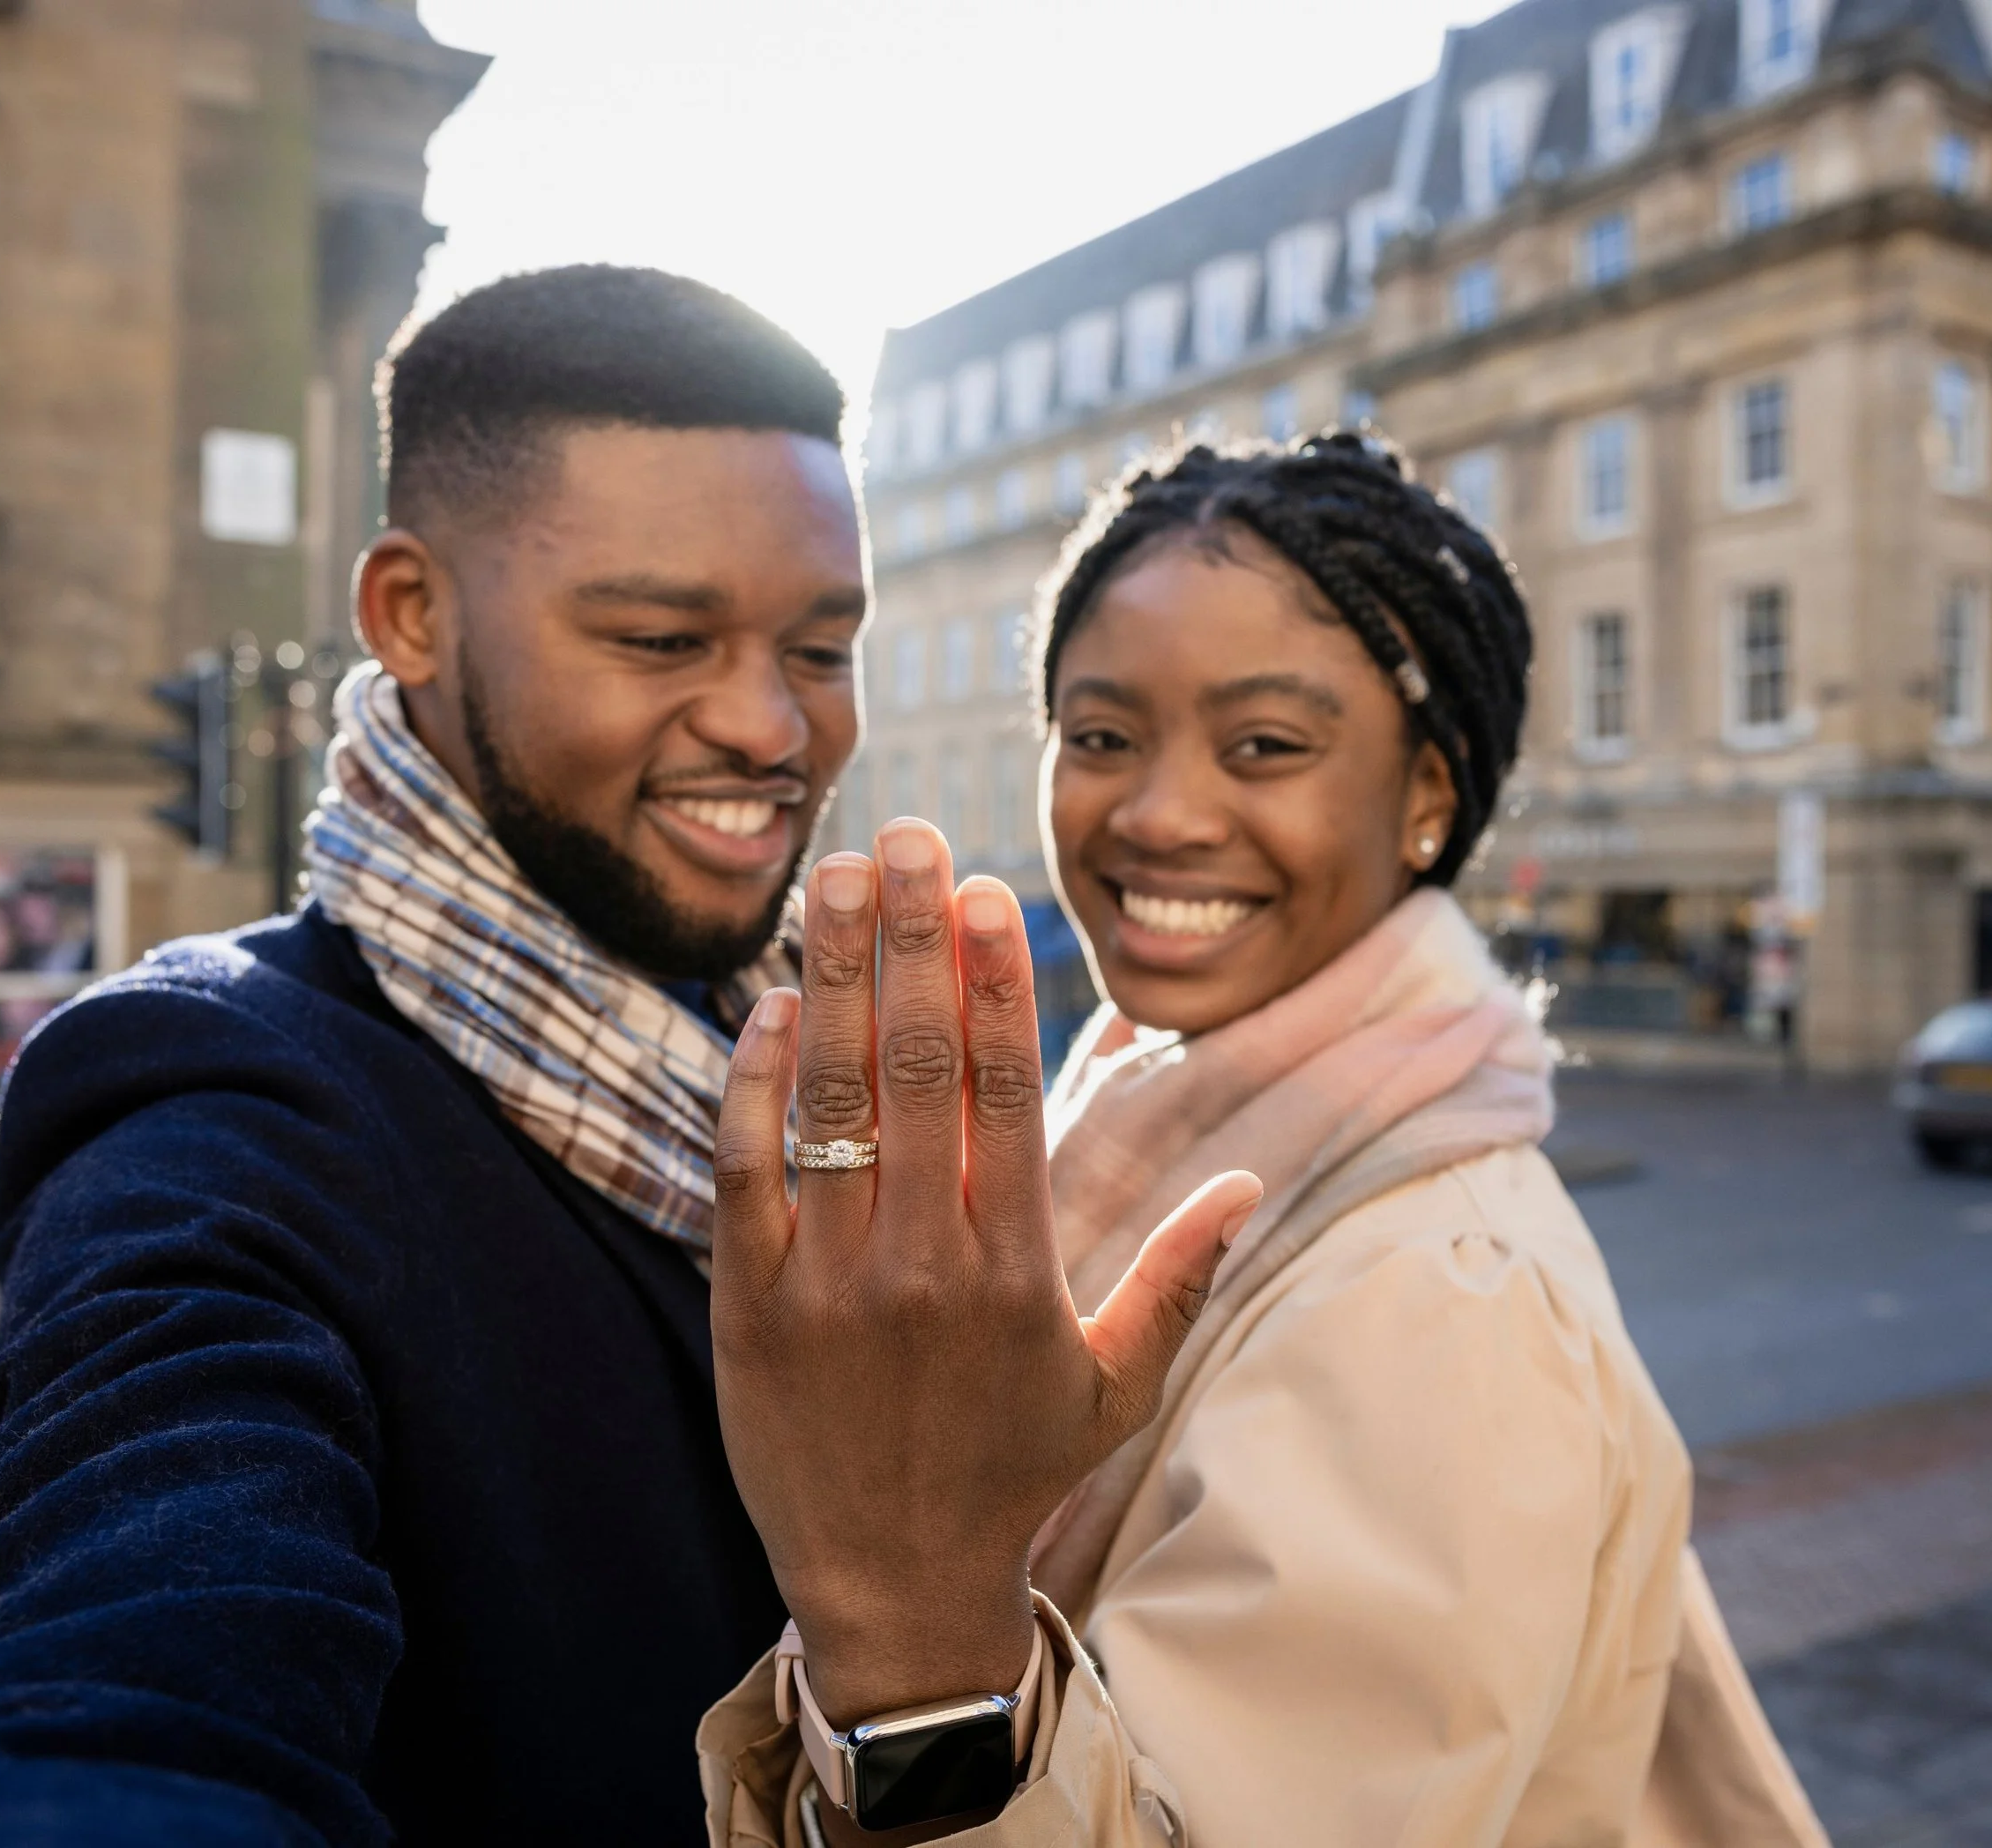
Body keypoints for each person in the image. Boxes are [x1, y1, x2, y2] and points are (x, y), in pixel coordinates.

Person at [702, 436, 1825, 1844]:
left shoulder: (1436, 1299)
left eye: (1267, 747)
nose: (1161, 815)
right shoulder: (1142, 1109)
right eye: (1102, 735)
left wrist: (917, 1626)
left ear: (1428, 797)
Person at [0, 265, 869, 1843]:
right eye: (659, 638)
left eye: (821, 651)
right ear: (411, 614)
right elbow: (125, 1640)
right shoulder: (220, 1094)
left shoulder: (804, 1057)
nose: (770, 726)